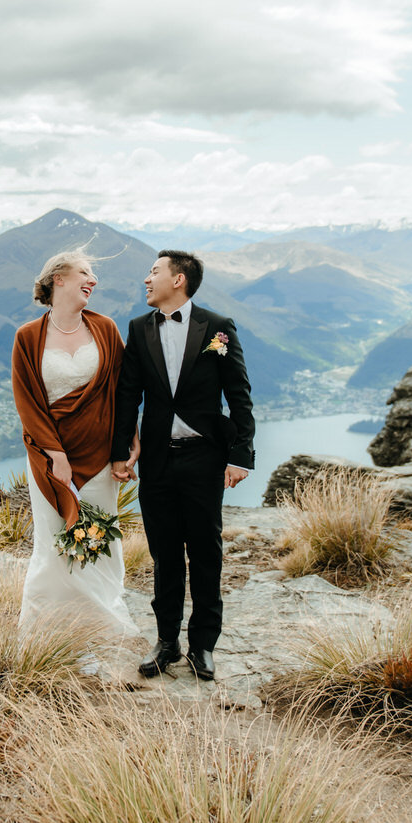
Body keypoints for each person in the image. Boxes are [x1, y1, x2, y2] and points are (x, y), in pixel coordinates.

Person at [111, 250, 254, 681]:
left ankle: (203, 645)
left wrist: (239, 455)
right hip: (157, 460)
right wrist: (122, 451)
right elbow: (127, 394)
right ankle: (167, 642)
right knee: (165, 554)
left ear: (178, 279)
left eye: (154, 272)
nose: (146, 279)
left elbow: (239, 392)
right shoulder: (138, 329)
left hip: (204, 457)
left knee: (206, 553)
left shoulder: (218, 328)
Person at [10, 249, 137, 638]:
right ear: (57, 279)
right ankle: (48, 634)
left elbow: (122, 392)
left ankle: (102, 627)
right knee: (53, 544)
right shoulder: (28, 337)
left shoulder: (105, 328)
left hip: (100, 457)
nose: (93, 280)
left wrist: (129, 445)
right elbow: (27, 402)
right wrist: (56, 456)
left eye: (93, 275)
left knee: (102, 542)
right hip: (49, 459)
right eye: (85, 272)